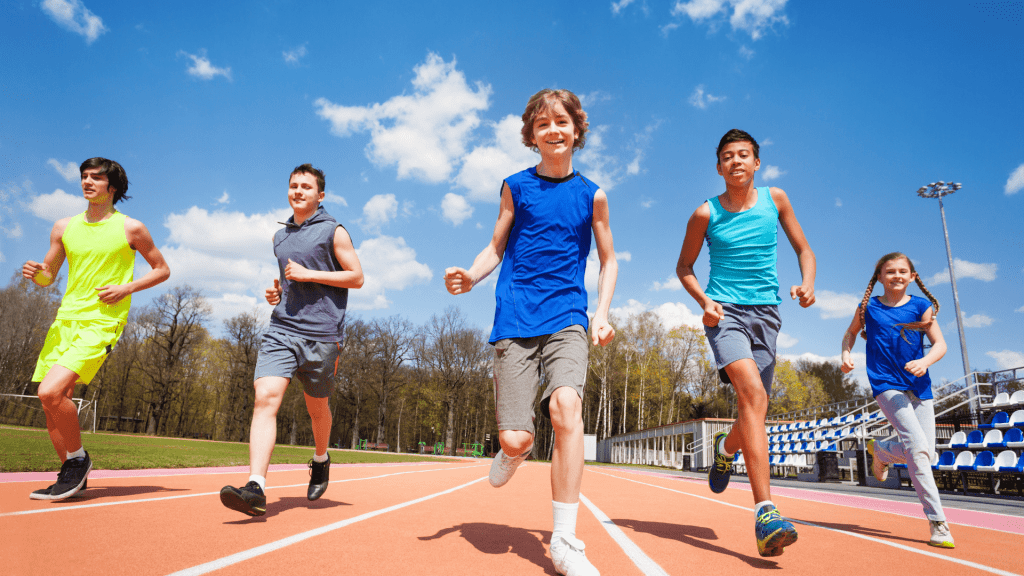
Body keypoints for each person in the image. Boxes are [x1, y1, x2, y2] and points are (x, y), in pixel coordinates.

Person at [444, 89, 617, 576]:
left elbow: (609, 260)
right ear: (532, 136)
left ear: (576, 131)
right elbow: (496, 247)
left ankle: (564, 540)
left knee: (566, 408)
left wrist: (600, 312)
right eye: (543, 125)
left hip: (568, 316)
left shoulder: (593, 194)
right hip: (516, 317)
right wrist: (471, 276)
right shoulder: (515, 187)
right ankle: (513, 451)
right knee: (519, 437)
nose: (553, 131)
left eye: (562, 122)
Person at [675, 129, 815, 557]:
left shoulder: (778, 199)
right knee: (751, 393)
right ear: (719, 167)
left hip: (767, 315)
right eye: (728, 157)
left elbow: (803, 248)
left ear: (757, 163)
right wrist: (705, 301)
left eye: (744, 155)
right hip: (726, 315)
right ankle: (766, 512)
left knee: (755, 408)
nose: (736, 161)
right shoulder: (705, 213)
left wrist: (808, 283)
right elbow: (684, 267)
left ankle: (725, 448)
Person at [220, 163, 363, 517]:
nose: (298, 191)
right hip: (282, 329)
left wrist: (308, 273)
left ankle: (320, 458)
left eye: (306, 187)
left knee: (318, 410)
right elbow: (286, 279)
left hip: (323, 336)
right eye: (293, 186)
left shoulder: (335, 231)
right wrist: (277, 291)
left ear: (320, 195)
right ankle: (256, 486)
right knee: (265, 398)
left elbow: (357, 277)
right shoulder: (280, 236)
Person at [23, 157, 171, 501]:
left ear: (113, 187)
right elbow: (49, 276)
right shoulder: (63, 227)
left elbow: (162, 269)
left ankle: (78, 460)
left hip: (103, 322)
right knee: (52, 407)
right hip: (65, 320)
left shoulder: (131, 228)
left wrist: (126, 288)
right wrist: (38, 274)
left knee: (50, 392)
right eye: (84, 177)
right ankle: (71, 477)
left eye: (96, 178)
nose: (87, 182)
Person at [840, 252, 953, 548]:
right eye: (890, 272)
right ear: (879, 277)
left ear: (913, 276)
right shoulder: (869, 307)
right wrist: (846, 353)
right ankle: (938, 523)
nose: (897, 276)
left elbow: (940, 344)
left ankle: (884, 451)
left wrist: (925, 361)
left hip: (919, 384)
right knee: (917, 449)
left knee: (926, 453)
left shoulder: (921, 306)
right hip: (886, 383)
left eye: (903, 271)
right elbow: (850, 334)